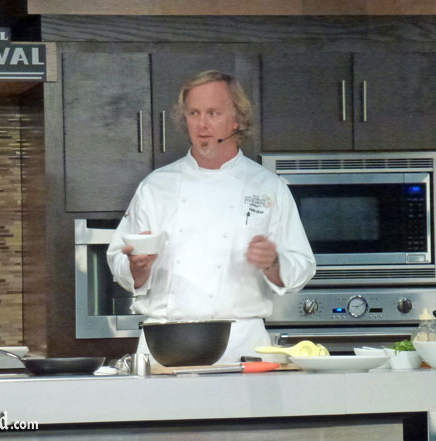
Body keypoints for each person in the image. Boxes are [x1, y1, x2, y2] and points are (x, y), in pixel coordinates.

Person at [107, 70, 316, 363]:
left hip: (241, 347)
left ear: (237, 120)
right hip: (165, 343)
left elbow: (303, 266)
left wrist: (273, 263)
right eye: (194, 113)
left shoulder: (268, 187)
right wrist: (137, 268)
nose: (202, 124)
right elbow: (118, 258)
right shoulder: (156, 186)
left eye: (213, 113)